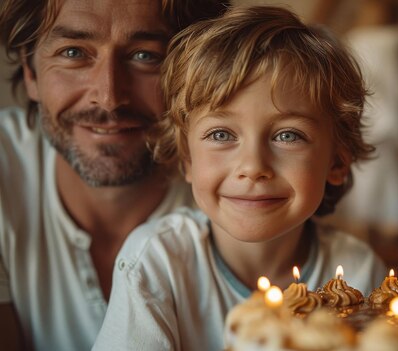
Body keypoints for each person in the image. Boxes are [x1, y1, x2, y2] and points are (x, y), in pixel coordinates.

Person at [92, 5, 388, 351]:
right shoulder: (156, 263)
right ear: (187, 159)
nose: (252, 166)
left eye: (288, 135)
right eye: (221, 134)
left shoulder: (358, 272)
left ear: (337, 161)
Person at [0, 0, 228, 350]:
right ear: (31, 72)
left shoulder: (245, 185)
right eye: (73, 52)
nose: (108, 98)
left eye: (145, 56)